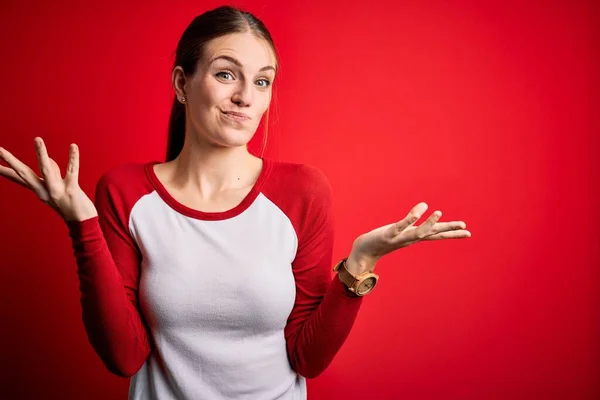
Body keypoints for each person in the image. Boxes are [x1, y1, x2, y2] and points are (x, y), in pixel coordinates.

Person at [0, 5, 471, 400]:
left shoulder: (302, 192)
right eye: (226, 74)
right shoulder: (125, 192)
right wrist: (82, 222)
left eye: (262, 81)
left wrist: (360, 263)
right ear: (182, 84)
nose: (246, 97)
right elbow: (123, 357)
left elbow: (307, 358)